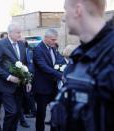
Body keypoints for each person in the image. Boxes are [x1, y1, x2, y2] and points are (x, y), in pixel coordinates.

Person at [51, 0, 114, 131]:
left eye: (65, 10)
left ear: (78, 10)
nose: (63, 18)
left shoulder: (109, 54)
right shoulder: (81, 54)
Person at [0, 22, 31, 131]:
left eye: (20, 32)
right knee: (11, 112)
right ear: (10, 33)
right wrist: (9, 77)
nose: (20, 34)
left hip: (19, 86)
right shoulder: (0, 44)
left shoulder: (22, 44)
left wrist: (27, 81)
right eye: (18, 32)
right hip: (5, 85)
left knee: (16, 113)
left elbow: (24, 65)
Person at [33, 28, 66, 131]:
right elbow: (43, 66)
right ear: (46, 38)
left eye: (55, 39)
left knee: (56, 112)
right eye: (53, 39)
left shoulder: (53, 48)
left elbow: (60, 60)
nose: (55, 42)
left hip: (54, 87)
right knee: (41, 114)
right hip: (42, 88)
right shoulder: (38, 49)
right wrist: (60, 75)